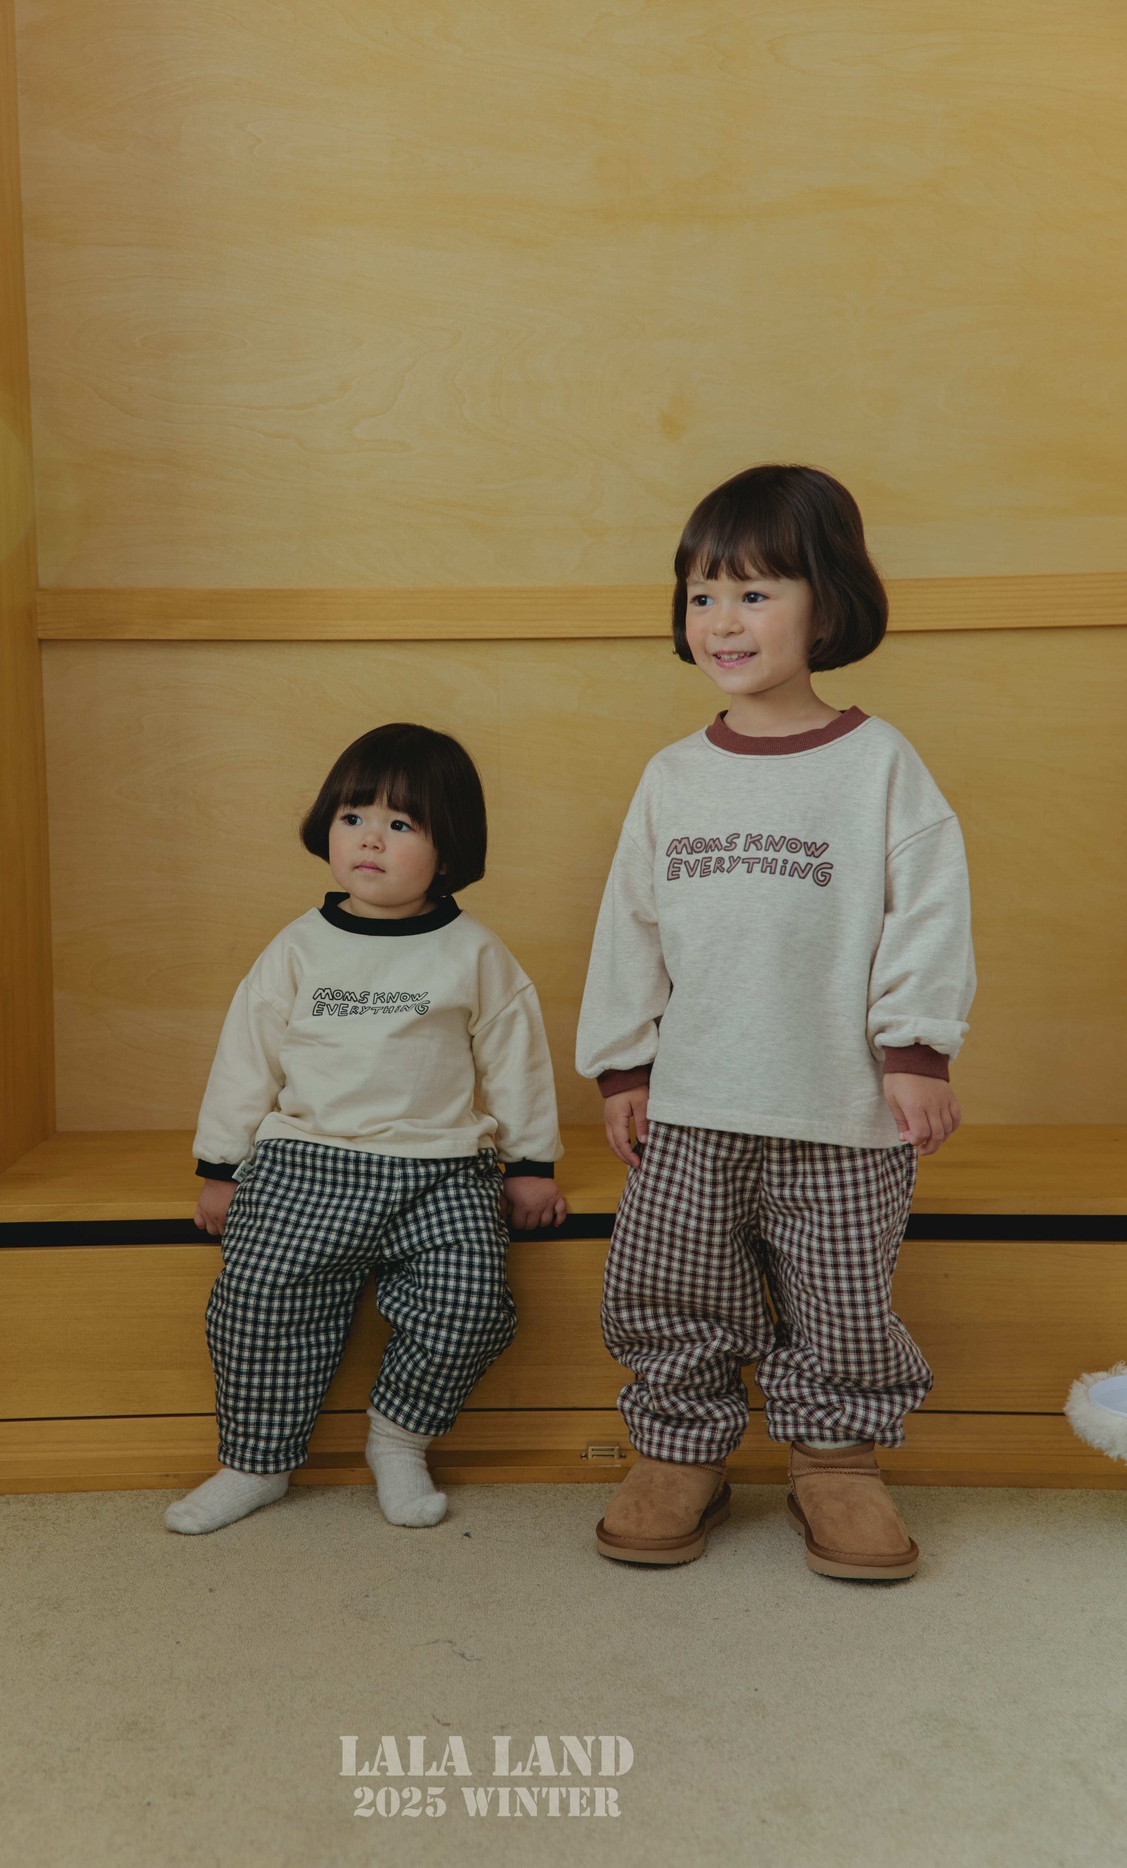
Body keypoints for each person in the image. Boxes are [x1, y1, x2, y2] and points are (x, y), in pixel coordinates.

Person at [576, 465, 975, 1580]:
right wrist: (622, 1069)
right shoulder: (672, 777)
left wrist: (915, 1049)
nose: (723, 621)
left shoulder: (878, 766)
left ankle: (835, 1461)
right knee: (673, 1285)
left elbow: (928, 912)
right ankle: (678, 1451)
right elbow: (629, 930)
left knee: (841, 1302)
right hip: (693, 1103)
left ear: (826, 602)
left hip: (840, 1110)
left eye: (754, 593)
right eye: (702, 595)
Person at [165, 722, 565, 1536]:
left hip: (440, 1169)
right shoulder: (297, 948)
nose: (370, 839)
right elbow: (246, 1058)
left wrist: (530, 1164)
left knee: (471, 1304)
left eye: (400, 823)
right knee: (256, 1300)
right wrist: (222, 1168)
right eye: (353, 818)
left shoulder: (473, 952)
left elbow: (517, 1059)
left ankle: (399, 1439)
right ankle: (256, 1462)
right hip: (307, 1162)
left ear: (448, 850)